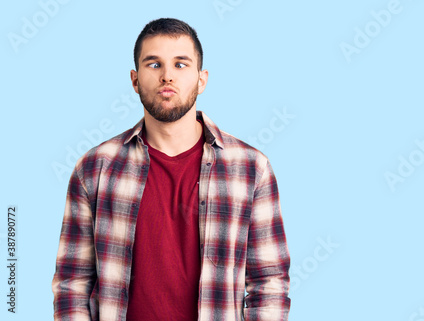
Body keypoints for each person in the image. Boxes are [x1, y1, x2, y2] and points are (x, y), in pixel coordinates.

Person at [51, 18, 291, 321]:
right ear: (135, 80)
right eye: (154, 65)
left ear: (201, 79)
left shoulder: (251, 168)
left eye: (181, 65)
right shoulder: (95, 168)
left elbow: (269, 281)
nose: (167, 77)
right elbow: (72, 281)